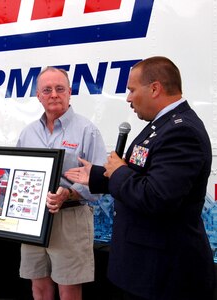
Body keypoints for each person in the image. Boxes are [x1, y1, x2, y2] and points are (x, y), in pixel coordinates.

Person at [65, 56, 216, 300]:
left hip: (163, 273)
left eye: (132, 90)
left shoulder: (181, 131)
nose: (128, 98)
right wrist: (97, 176)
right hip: (144, 266)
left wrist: (118, 171)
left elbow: (157, 197)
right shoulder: (161, 125)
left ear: (155, 88)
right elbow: (140, 172)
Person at [16, 66, 107, 300]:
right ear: (38, 95)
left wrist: (68, 193)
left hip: (70, 217)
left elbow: (99, 182)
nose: (53, 94)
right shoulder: (28, 133)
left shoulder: (87, 130)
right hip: (33, 218)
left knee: (68, 290)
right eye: (47, 90)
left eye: (59, 88)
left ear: (69, 93)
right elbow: (14, 174)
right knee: (39, 286)